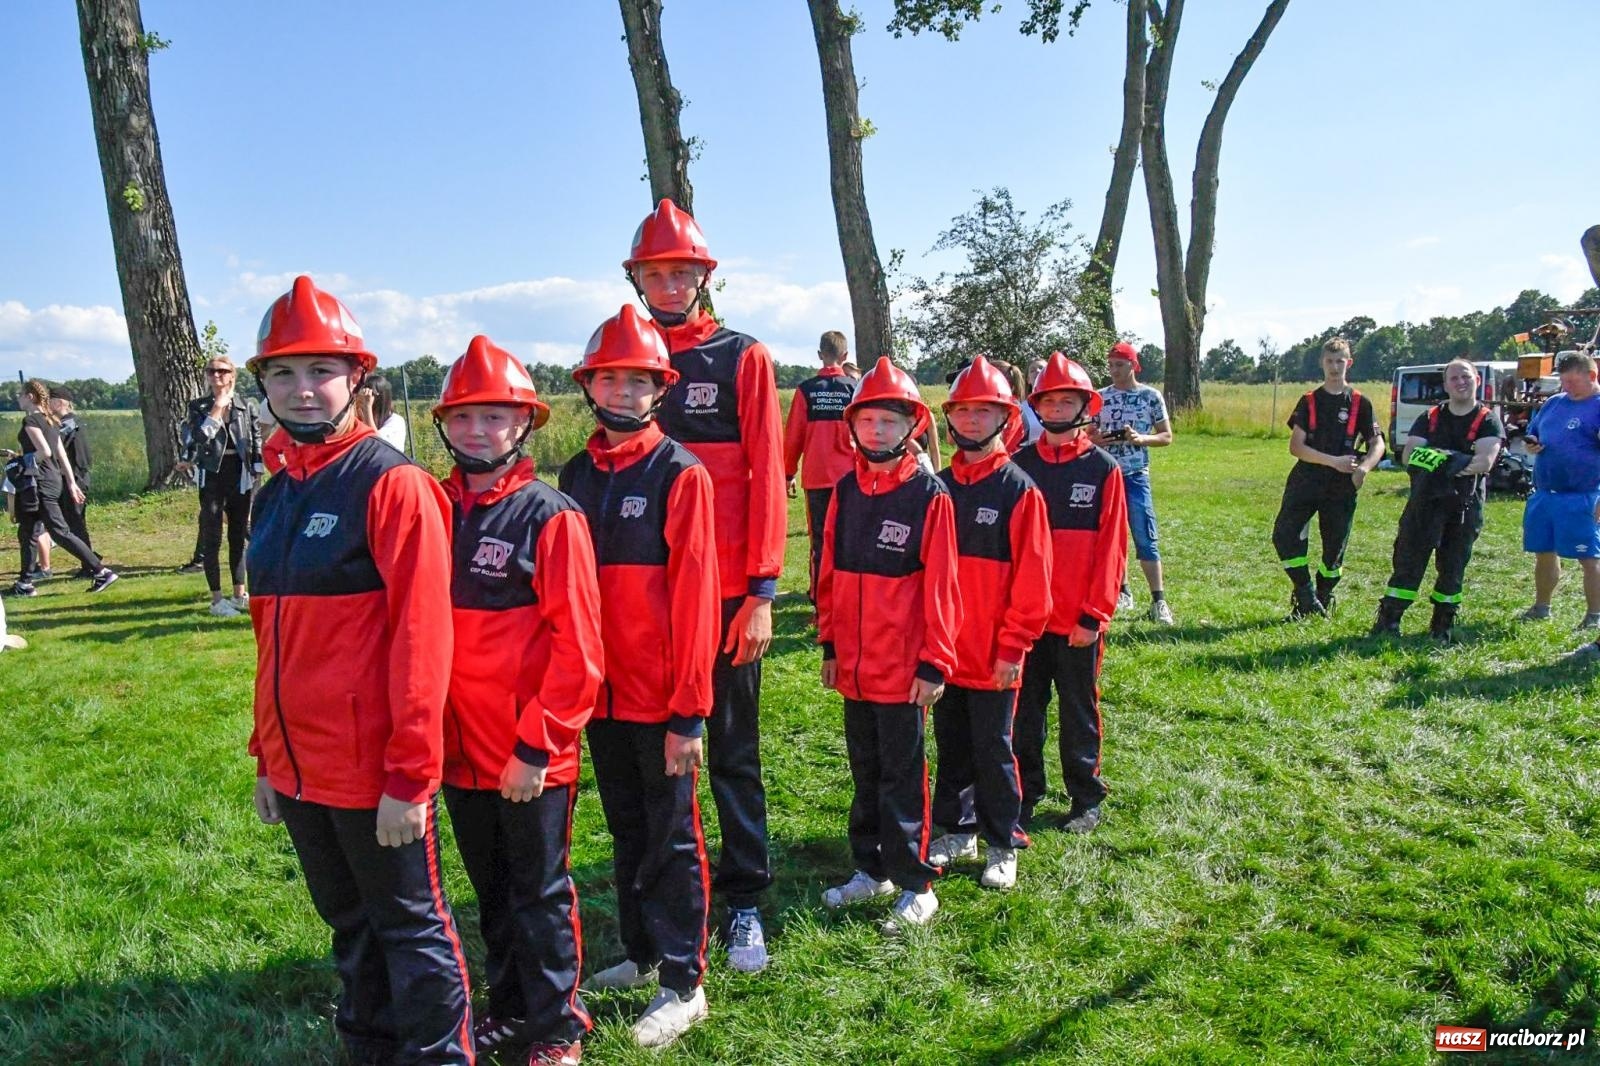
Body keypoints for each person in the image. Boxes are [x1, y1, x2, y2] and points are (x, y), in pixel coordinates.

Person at [244, 276, 473, 1066]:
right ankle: (369, 1050)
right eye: (283, 373)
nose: (303, 391)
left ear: (356, 380)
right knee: (350, 927)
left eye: (321, 372)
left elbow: (423, 642)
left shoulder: (393, 485)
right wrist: (266, 757)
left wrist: (411, 775)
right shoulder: (273, 497)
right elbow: (271, 640)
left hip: (375, 770)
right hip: (300, 767)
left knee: (412, 929)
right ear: (263, 384)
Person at [433, 336, 602, 1066]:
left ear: (524, 424)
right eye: (465, 418)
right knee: (491, 891)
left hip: (529, 755)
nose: (479, 432)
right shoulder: (430, 510)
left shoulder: (550, 516)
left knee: (538, 891)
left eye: (495, 418)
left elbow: (580, 651)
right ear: (444, 424)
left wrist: (539, 744)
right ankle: (509, 1007)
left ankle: (559, 1025)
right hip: (458, 751)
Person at [627, 198, 783, 970]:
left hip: (725, 599)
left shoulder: (740, 357)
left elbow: (766, 478)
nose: (667, 284)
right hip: (649, 601)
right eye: (654, 273)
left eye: (680, 272)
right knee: (657, 755)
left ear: (702, 277)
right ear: (637, 280)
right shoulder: (623, 366)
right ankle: (666, 903)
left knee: (730, 749)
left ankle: (746, 899)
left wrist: (761, 592)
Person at [561, 305, 719, 1049]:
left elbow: (693, 603)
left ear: (661, 387)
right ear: (589, 384)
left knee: (672, 836)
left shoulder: (680, 474)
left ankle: (684, 981)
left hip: (662, 698)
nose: (622, 391)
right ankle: (641, 950)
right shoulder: (575, 473)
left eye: (637, 379)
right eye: (609, 378)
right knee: (626, 829)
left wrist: (690, 711)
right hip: (601, 694)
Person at [817, 357, 960, 933]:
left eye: (889, 422)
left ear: (912, 428)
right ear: (853, 427)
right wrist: (829, 645)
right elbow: (827, 572)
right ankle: (870, 867)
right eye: (868, 421)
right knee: (865, 768)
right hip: (853, 664)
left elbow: (943, 586)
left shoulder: (931, 496)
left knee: (903, 772)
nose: (877, 431)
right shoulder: (845, 491)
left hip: (904, 668)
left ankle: (915, 881)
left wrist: (934, 662)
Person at [925, 356, 1050, 890]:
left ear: (1006, 416)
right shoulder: (938, 487)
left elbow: (1035, 582)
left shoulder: (1020, 490)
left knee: (995, 749)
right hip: (944, 650)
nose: (972, 420)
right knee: (950, 741)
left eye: (985, 410)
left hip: (995, 653)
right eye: (964, 410)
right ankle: (957, 827)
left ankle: (1004, 841)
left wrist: (1013, 647)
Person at [1011, 353, 1128, 833]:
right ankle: (1024, 793)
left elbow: (1112, 548)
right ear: (1037, 406)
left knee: (1078, 708)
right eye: (1050, 402)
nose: (1058, 410)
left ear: (1085, 406)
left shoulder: (1103, 470)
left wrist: (1093, 614)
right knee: (1024, 713)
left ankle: (1086, 797)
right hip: (1025, 623)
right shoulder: (1015, 468)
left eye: (1068, 401)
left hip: (1077, 622)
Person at [1370, 359, 1502, 642]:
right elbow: (1409, 456)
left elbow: (1484, 462)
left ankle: (1443, 622)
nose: (1460, 382)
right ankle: (1389, 619)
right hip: (1424, 502)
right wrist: (1456, 460)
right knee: (1408, 560)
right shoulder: (1429, 417)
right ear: (1445, 385)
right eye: (1453, 378)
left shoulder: (1488, 419)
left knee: (1453, 565)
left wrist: (1439, 459)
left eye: (1465, 376)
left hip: (1463, 507)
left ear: (1476, 380)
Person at [1270, 337, 1385, 618]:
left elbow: (1378, 443)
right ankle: (1305, 594)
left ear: (1349, 363)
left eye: (1340, 361)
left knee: (1334, 548)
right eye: (1330, 361)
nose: (1335, 367)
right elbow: (1296, 447)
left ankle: (1322, 596)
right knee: (1284, 535)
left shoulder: (1360, 402)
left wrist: (1364, 468)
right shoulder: (1309, 401)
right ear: (1322, 363)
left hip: (1342, 486)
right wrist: (1333, 461)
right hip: (1307, 478)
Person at [6, 380, 117, 598]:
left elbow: (45, 452)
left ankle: (100, 570)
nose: (17, 398)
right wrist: (71, 482)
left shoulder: (31, 420)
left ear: (30, 396)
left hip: (39, 482)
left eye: (20, 394)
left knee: (59, 531)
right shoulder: (51, 420)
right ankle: (25, 583)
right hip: (52, 479)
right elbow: (61, 454)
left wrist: (22, 460)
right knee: (28, 530)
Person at [1515, 352, 1600, 633]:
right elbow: (1534, 430)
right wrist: (1532, 442)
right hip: (1545, 492)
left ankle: (1594, 616)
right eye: (1563, 382)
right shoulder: (1553, 403)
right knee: (1544, 552)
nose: (1567, 388)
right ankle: (1542, 607)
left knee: (1589, 558)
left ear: (1592, 376)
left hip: (1583, 494)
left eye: (1573, 382)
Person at [1091, 341, 1175, 623]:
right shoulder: (1100, 397)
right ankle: (1122, 590)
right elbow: (1087, 433)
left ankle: (1158, 600)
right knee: (1113, 536)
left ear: (1133, 366)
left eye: (1120, 365)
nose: (1113, 370)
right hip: (1105, 474)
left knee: (1145, 535)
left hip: (1136, 474)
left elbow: (1166, 436)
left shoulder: (1150, 396)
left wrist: (1141, 439)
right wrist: (1095, 439)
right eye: (1111, 365)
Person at [178, 354, 263, 617]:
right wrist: (217, 408)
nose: (217, 376)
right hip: (212, 474)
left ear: (232, 375)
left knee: (239, 535)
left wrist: (256, 475)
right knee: (212, 535)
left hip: (240, 475)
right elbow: (200, 439)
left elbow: (255, 442)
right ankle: (216, 599)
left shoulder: (245, 406)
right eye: (211, 371)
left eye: (223, 371)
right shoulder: (198, 407)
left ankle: (239, 593)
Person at [784, 329, 857, 604]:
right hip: (851, 478)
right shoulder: (853, 389)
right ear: (845, 356)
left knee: (819, 542)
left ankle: (819, 600)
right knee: (848, 538)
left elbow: (794, 437)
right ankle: (847, 596)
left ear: (819, 355)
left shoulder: (806, 391)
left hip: (817, 479)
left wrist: (788, 472)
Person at [49, 387, 95, 574]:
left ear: (59, 402)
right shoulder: (73, 422)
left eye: (49, 400)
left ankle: (90, 564)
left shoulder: (66, 425)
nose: (46, 404)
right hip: (77, 477)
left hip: (75, 478)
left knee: (75, 523)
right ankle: (90, 560)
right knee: (75, 523)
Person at [358, 374, 409, 452]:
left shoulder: (396, 421)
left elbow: (377, 442)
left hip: (389, 462)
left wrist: (367, 407)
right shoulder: (361, 416)